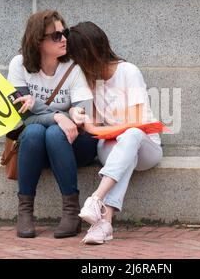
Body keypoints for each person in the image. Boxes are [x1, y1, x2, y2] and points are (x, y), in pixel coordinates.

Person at [67, 21, 163, 244]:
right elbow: (88, 120)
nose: (76, 64)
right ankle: (104, 223)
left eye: (78, 58)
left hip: (146, 146)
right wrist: (75, 111)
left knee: (131, 135)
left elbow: (136, 124)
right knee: (124, 149)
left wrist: (93, 127)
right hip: (110, 146)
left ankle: (96, 198)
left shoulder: (128, 72)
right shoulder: (85, 79)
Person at [7, 10, 98, 239]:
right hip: (34, 148)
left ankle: (71, 212)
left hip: (74, 145)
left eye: (64, 33)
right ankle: (25, 212)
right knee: (35, 131)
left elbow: (84, 115)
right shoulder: (19, 66)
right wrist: (59, 115)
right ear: (38, 41)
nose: (64, 38)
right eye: (56, 36)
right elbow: (22, 118)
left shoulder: (73, 69)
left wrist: (69, 114)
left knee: (55, 134)